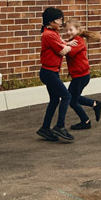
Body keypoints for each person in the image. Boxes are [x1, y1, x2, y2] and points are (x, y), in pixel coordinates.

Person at [38, 7, 79, 142]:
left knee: (55, 100)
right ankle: (60, 126)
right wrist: (68, 47)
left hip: (51, 72)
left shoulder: (52, 32)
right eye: (59, 19)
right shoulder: (48, 34)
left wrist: (66, 44)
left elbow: (61, 44)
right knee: (66, 96)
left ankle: (45, 128)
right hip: (49, 73)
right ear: (50, 21)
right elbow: (62, 51)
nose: (61, 22)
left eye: (61, 19)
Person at [62, 19, 101, 129]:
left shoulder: (78, 41)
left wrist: (64, 44)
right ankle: (94, 104)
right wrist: (65, 43)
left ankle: (85, 121)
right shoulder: (73, 40)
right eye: (66, 30)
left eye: (71, 29)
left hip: (81, 76)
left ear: (78, 30)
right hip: (78, 76)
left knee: (72, 100)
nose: (68, 32)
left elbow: (69, 52)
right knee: (72, 97)